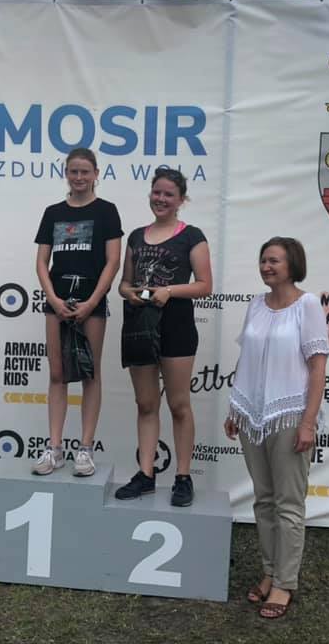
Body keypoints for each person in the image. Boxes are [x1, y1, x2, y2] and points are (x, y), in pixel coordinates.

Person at [223, 237, 329, 620]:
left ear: (292, 265)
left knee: (288, 504)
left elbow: (317, 367)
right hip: (252, 416)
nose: (266, 266)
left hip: (289, 416)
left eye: (274, 261)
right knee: (264, 500)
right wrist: (236, 408)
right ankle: (269, 572)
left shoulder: (308, 305)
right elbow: (247, 359)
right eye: (263, 260)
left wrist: (307, 422)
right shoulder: (256, 304)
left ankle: (285, 582)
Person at [114, 167, 212, 507]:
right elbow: (124, 283)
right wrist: (130, 293)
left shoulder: (192, 236)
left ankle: (183, 477)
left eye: (169, 194)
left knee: (179, 405)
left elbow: (205, 285)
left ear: (181, 199)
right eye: (157, 192)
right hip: (140, 325)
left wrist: (169, 291)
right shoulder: (136, 237)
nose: (161, 199)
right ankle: (146, 474)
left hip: (177, 327)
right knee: (145, 404)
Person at [32, 147, 122, 477]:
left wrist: (93, 301)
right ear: (66, 174)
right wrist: (53, 299)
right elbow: (42, 262)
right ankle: (55, 448)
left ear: (96, 174)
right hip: (57, 301)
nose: (79, 177)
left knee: (89, 373)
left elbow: (113, 261)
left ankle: (85, 449)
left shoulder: (107, 211)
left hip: (91, 301)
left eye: (85, 171)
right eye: (74, 171)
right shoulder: (53, 212)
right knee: (57, 374)